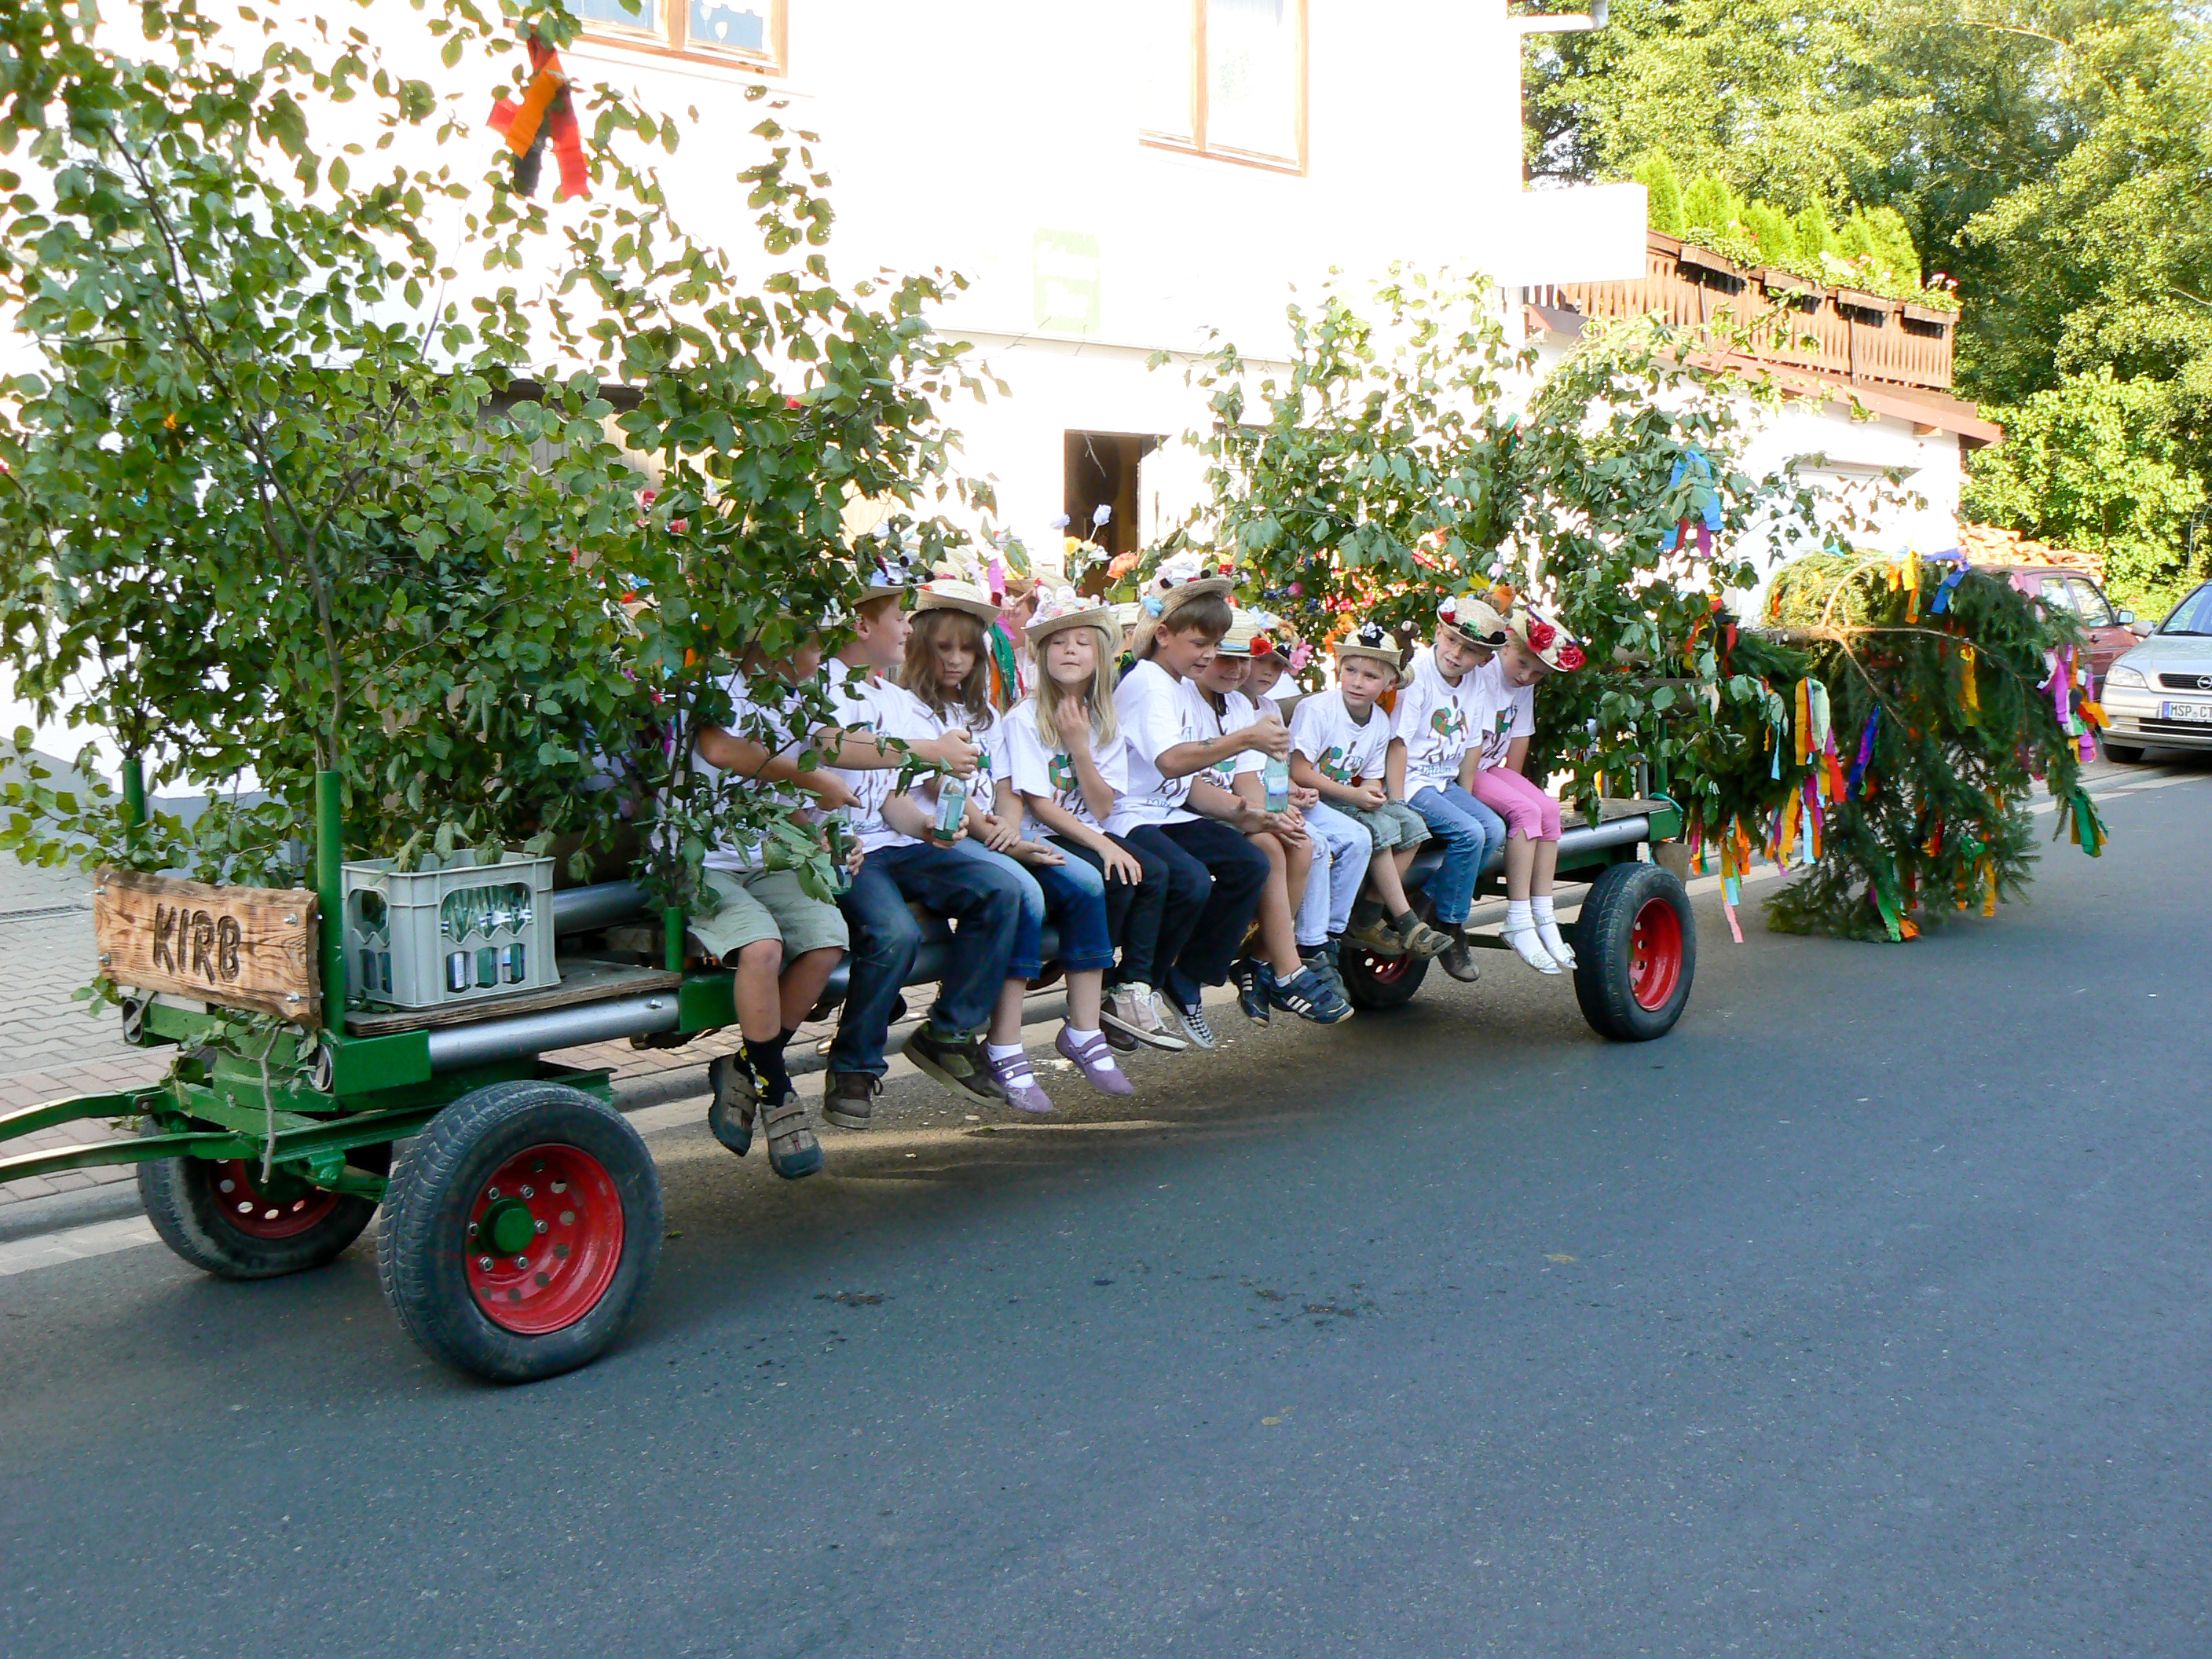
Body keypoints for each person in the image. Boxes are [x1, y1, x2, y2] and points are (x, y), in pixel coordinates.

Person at [814, 550, 1031, 1128]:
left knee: (1000, 889)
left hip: (890, 844)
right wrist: (926, 753)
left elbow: (890, 797)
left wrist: (934, 827)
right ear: (863, 625)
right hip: (835, 848)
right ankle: (854, 1065)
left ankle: (949, 1031)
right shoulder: (819, 685)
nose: (911, 628)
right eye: (900, 618)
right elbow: (830, 746)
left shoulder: (895, 700)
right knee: (893, 933)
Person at [902, 569, 1122, 1110]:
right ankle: (1003, 1041)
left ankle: (1087, 1028)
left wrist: (1008, 829)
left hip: (995, 832)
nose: (956, 660)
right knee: (1022, 888)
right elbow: (943, 783)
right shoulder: (911, 709)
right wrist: (1006, 839)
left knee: (1090, 882)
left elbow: (1006, 789)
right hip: (939, 834)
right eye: (944, 649)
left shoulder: (987, 713)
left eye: (967, 652)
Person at [687, 627, 855, 1180]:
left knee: (827, 941)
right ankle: (778, 1093)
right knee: (762, 948)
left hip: (765, 856)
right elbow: (722, 749)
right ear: (780, 644)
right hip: (702, 860)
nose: (823, 657)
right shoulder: (715, 682)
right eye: (815, 644)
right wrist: (814, 775)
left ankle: (746, 1068)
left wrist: (820, 832)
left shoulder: (793, 702)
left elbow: (788, 804)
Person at [1006, 585, 1191, 1064]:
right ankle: (1084, 987)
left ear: (1100, 656)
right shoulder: (1024, 717)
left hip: (1088, 824)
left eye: (1082, 642)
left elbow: (1104, 805)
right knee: (1116, 871)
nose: (1070, 650)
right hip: (1042, 834)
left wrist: (1081, 747)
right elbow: (1040, 806)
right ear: (1042, 653)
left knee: (1151, 874)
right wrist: (1105, 847)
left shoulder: (1104, 719)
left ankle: (1125, 992)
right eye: (1059, 642)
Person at [1104, 556, 1280, 1049]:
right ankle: (1133, 987)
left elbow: (1189, 785)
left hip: (1170, 811)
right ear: (1163, 635)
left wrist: (1245, 813)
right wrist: (1246, 738)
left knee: (1249, 860)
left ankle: (1187, 978)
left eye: (1214, 645)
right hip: (1130, 815)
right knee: (1186, 878)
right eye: (1200, 644)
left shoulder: (1179, 685)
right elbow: (1172, 762)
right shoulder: (1147, 684)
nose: (1208, 655)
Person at [1199, 614, 1350, 1025]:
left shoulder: (1247, 706)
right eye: (1227, 659)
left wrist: (1277, 809)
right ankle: (1288, 968)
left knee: (1300, 842)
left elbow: (1259, 772)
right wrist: (1265, 816)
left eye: (1246, 659)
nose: (1242, 669)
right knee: (1269, 846)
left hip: (1240, 803)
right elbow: (1194, 780)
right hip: (1196, 809)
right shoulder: (1202, 702)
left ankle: (1262, 960)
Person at [1289, 621, 1455, 966]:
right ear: (1339, 670)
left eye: (1369, 676)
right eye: (1350, 670)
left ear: (1389, 684)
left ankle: (1368, 911)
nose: (1357, 682)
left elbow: (1371, 778)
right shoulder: (1319, 710)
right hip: (1311, 797)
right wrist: (1356, 796)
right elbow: (1300, 771)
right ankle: (1405, 920)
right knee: (1378, 830)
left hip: (1346, 797)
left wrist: (1372, 793)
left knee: (1411, 824)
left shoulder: (1379, 721)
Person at [1387, 595, 1511, 982]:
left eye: (1470, 650)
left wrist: (1468, 797)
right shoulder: (1419, 675)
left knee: (1492, 827)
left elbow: (1473, 741)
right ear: (1439, 631)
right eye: (1452, 641)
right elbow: (1399, 744)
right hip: (1411, 781)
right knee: (1469, 833)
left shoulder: (1474, 682)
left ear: (1484, 659)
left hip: (1441, 781)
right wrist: (1396, 804)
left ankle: (1428, 901)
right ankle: (1451, 926)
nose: (1456, 654)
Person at [1468, 604, 1587, 972]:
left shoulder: (1523, 687)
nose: (1526, 678)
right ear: (1505, 647)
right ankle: (1517, 919)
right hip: (1463, 768)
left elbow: (1517, 745)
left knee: (1547, 809)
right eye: (1522, 665)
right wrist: (1508, 804)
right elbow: (1470, 751)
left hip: (1487, 767)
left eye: (1537, 675)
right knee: (1525, 811)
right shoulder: (1483, 675)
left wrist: (1512, 792)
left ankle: (1543, 912)